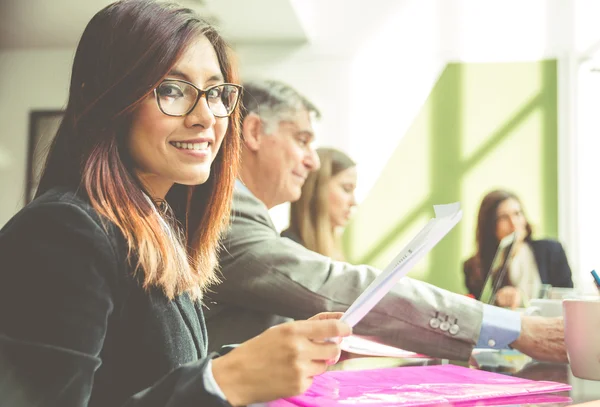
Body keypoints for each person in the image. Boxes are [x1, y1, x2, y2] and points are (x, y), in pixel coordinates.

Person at [0, 2, 352, 406]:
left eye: (216, 93)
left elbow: (145, 378)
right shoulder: (61, 231)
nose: (205, 116)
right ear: (104, 98)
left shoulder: (161, 225)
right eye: (171, 89)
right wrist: (225, 380)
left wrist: (253, 361)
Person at [203, 79, 568, 365]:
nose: (311, 161)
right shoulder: (227, 211)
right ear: (252, 133)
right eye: (302, 140)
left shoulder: (240, 213)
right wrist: (513, 328)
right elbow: (340, 286)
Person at [463, 189, 574, 309]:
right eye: (504, 217)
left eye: (517, 213)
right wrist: (498, 300)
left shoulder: (552, 251)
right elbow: (481, 312)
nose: (514, 222)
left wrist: (523, 300)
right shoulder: (475, 267)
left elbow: (567, 299)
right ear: (490, 225)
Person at [282, 147, 357, 260]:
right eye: (346, 189)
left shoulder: (334, 251)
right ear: (317, 189)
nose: (354, 202)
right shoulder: (288, 251)